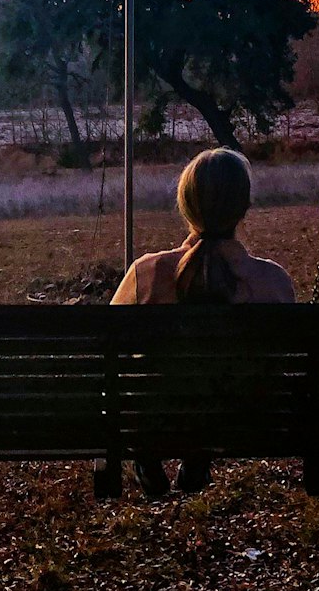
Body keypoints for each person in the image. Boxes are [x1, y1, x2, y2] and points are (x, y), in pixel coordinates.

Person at [110, 147, 295, 496]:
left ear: (186, 206)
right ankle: (199, 455)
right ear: (244, 209)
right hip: (245, 422)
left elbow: (112, 347)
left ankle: (150, 458)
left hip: (157, 421)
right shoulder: (272, 281)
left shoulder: (147, 273)